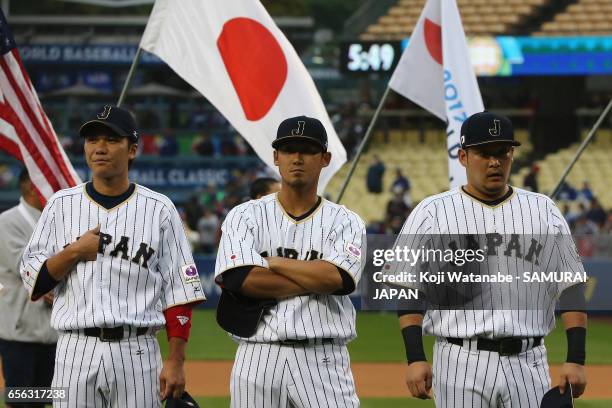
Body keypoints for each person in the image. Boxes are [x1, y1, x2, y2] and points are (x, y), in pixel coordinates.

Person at [392, 112, 587, 407]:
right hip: (459, 360)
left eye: (502, 152)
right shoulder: (431, 213)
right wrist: (415, 357)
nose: (495, 162)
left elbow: (570, 286)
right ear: (463, 157)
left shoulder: (543, 210)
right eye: (484, 153)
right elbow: (409, 287)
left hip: (527, 360)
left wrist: (576, 359)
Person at [20, 105, 206, 407]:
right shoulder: (60, 205)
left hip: (137, 350)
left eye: (111, 139)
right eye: (92, 140)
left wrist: (176, 360)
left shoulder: (159, 209)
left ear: (132, 150)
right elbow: (35, 282)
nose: (100, 148)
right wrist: (74, 252)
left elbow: (180, 292)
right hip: (75, 348)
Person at [214, 116, 366, 408]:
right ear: (276, 157)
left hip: (322, 358)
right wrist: (316, 275)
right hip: (258, 354)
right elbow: (241, 280)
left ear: (325, 158)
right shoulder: (245, 215)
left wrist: (272, 262)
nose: (297, 157)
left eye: (307, 150)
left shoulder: (346, 221)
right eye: (288, 149)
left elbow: (339, 280)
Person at [0, 169, 57, 408]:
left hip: (54, 334)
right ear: (31, 186)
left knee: (49, 399)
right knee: (21, 402)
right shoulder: (7, 221)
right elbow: (25, 268)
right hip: (19, 334)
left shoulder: (57, 222)